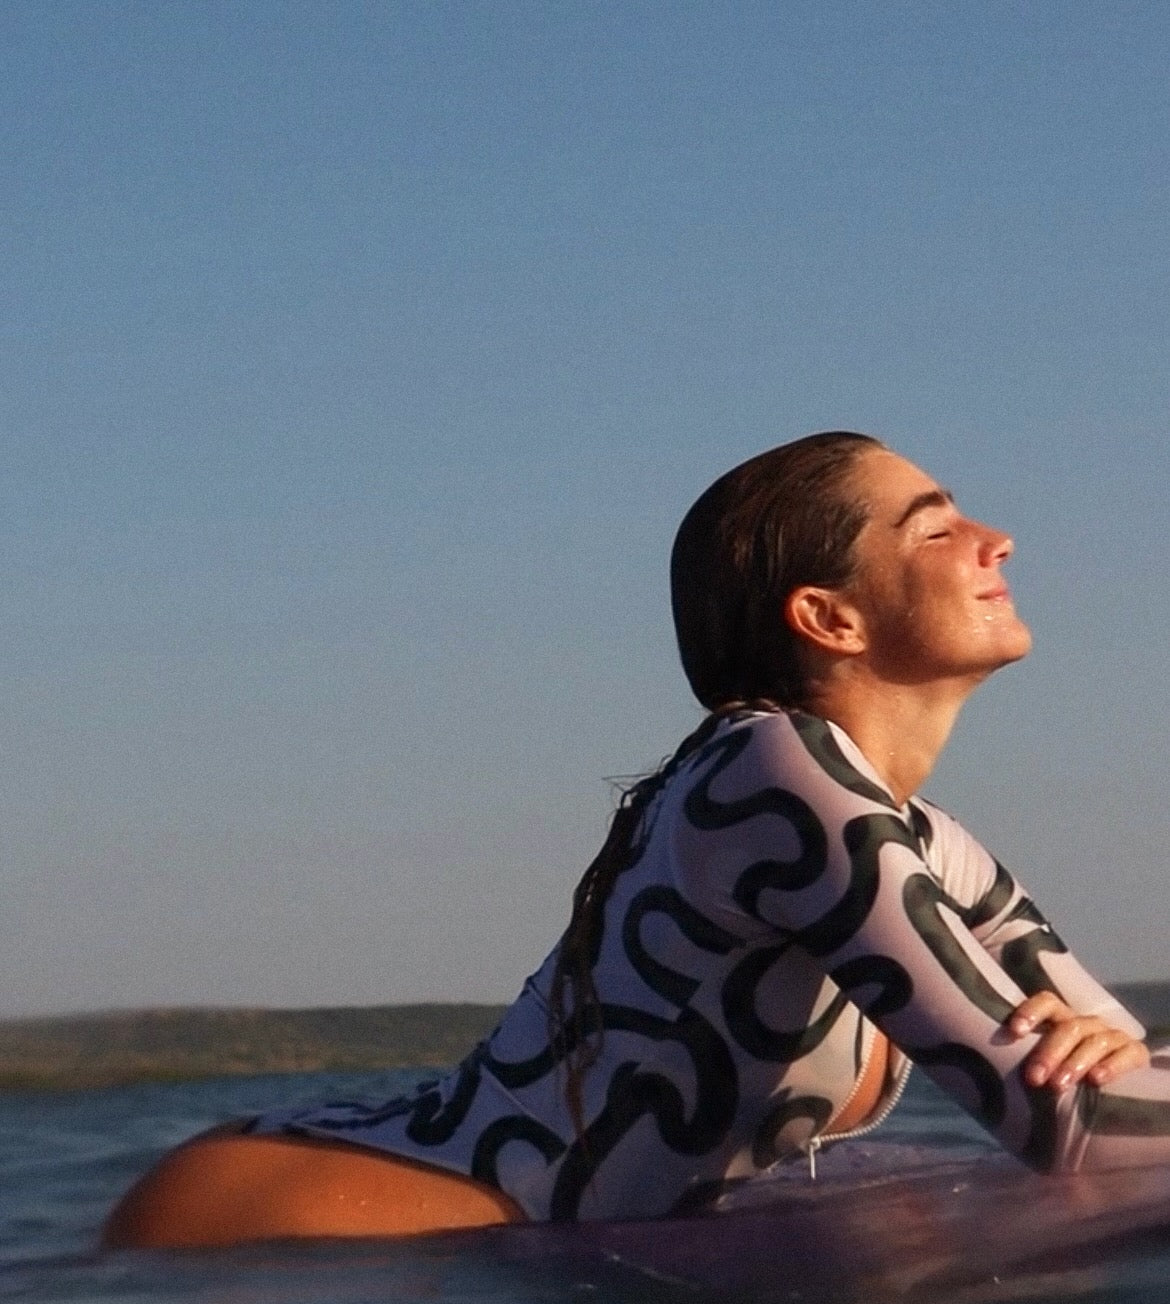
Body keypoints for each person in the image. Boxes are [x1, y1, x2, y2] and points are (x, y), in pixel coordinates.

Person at [103, 432, 1163, 1250]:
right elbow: (1078, 1129)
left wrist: (1112, 1058)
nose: (997, 539)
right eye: (936, 530)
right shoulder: (773, 772)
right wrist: (1105, 1086)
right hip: (299, 1222)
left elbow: (1111, 1066)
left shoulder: (928, 843)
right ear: (829, 618)